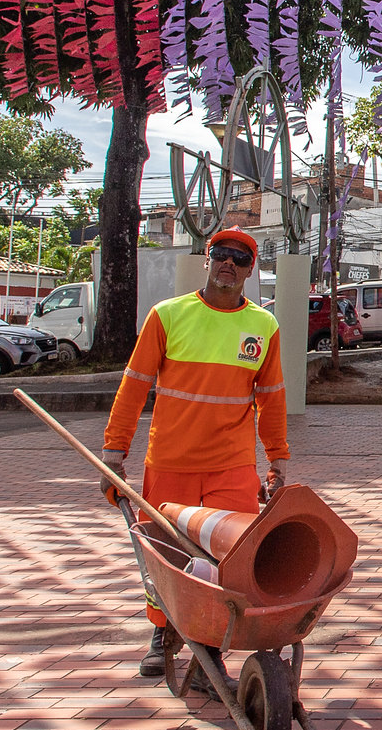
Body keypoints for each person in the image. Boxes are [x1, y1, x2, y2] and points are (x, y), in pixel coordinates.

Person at [101, 227, 289, 682]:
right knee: (163, 553)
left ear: (250, 270)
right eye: (222, 254)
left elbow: (272, 397)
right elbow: (134, 387)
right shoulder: (168, 316)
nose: (230, 263)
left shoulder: (264, 326)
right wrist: (113, 452)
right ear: (208, 259)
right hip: (170, 460)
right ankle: (162, 634)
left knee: (233, 556)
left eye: (240, 258)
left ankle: (210, 648)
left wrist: (277, 461)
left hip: (232, 465)